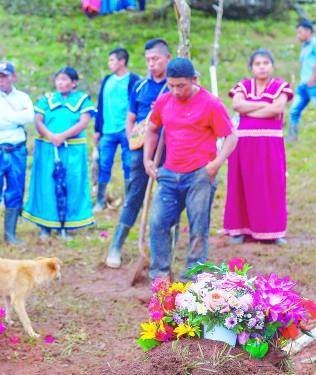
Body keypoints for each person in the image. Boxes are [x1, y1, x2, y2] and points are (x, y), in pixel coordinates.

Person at [145, 58, 237, 280]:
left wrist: (216, 163)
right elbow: (152, 127)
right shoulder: (164, 101)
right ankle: (160, 274)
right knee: (157, 222)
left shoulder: (211, 104)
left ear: (194, 80)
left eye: (181, 86)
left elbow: (231, 136)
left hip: (200, 175)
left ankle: (192, 276)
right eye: (171, 85)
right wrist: (148, 159)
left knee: (198, 227)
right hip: (168, 174)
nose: (175, 91)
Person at [105, 38, 171, 268]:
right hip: (140, 148)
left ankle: (163, 249)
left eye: (156, 59)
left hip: (169, 150)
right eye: (148, 60)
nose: (151, 64)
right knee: (134, 196)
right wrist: (132, 139)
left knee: (167, 198)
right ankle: (116, 245)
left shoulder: (174, 86)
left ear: (167, 59)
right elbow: (131, 117)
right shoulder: (140, 86)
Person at [224, 49, 294, 246]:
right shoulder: (243, 86)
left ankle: (272, 230)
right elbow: (237, 105)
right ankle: (239, 229)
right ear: (251, 68)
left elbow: (277, 109)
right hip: (243, 144)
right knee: (241, 184)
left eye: (265, 63)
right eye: (258, 63)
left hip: (269, 144)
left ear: (272, 66)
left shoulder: (280, 86)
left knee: (271, 184)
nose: (262, 67)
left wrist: (251, 108)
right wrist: (264, 106)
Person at [22, 67, 96, 239]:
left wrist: (62, 136)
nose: (60, 83)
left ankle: (67, 225)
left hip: (72, 149)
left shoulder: (82, 99)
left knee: (71, 183)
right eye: (58, 79)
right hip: (47, 148)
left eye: (64, 79)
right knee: (46, 184)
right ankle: (45, 225)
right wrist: (51, 136)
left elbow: (84, 122)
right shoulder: (47, 99)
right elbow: (38, 121)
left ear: (74, 82)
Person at [0, 60, 35, 249]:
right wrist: (15, 118)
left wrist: (3, 116)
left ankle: (11, 234)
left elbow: (29, 117)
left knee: (16, 190)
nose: (0, 80)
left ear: (13, 77)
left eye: (4, 76)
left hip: (17, 150)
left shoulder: (23, 97)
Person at [93, 47, 140, 211]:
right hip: (107, 131)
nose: (109, 63)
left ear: (122, 61)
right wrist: (97, 130)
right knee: (103, 164)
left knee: (129, 164)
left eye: (112, 60)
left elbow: (138, 106)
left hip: (127, 130)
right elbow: (100, 105)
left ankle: (130, 201)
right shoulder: (107, 80)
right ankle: (100, 200)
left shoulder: (134, 80)